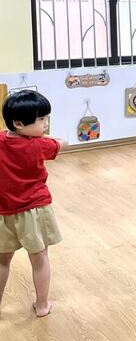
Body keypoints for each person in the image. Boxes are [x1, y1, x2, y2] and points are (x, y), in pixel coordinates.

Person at [0, 90, 65, 318]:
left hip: (3, 212)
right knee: (40, 258)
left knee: (2, 261)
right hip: (34, 211)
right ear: (19, 123)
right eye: (41, 119)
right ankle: (42, 304)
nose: (45, 124)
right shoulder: (39, 145)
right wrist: (49, 138)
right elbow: (62, 143)